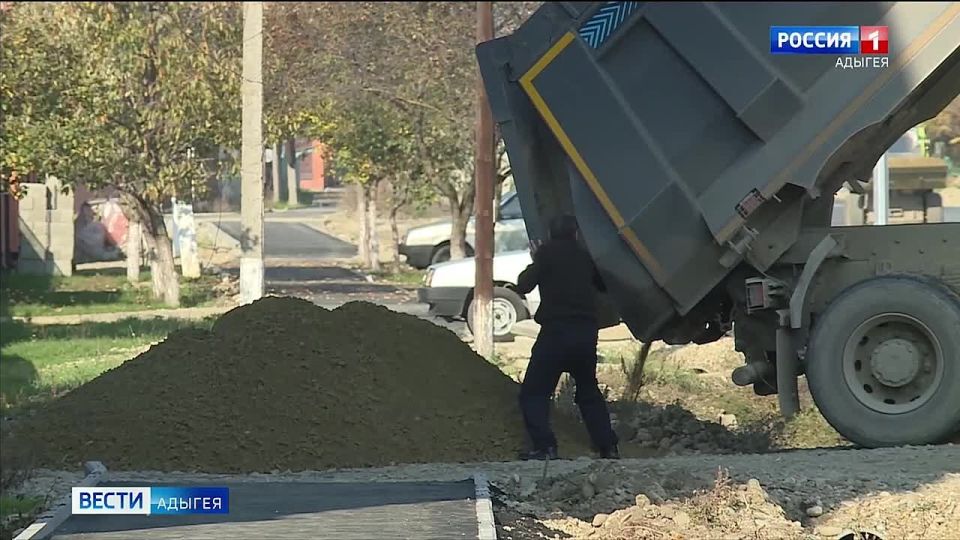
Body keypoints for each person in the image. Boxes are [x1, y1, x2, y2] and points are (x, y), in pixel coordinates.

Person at [511, 214, 619, 460]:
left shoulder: (546, 255)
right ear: (576, 234)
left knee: (534, 392)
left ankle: (545, 447)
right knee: (588, 392)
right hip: (585, 335)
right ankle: (608, 447)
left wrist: (537, 259)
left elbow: (523, 285)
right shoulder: (584, 257)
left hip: (555, 334)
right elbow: (604, 286)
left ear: (550, 234)